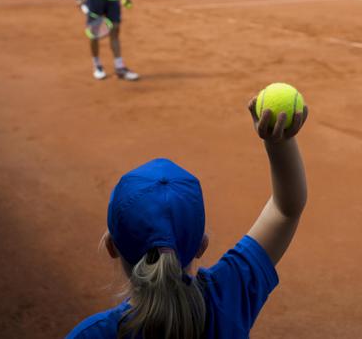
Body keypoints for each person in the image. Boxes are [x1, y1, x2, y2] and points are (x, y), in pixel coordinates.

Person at [67, 98, 309, 338]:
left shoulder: (93, 334)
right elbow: (285, 209)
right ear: (201, 245)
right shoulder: (226, 297)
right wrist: (279, 142)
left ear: (111, 246)